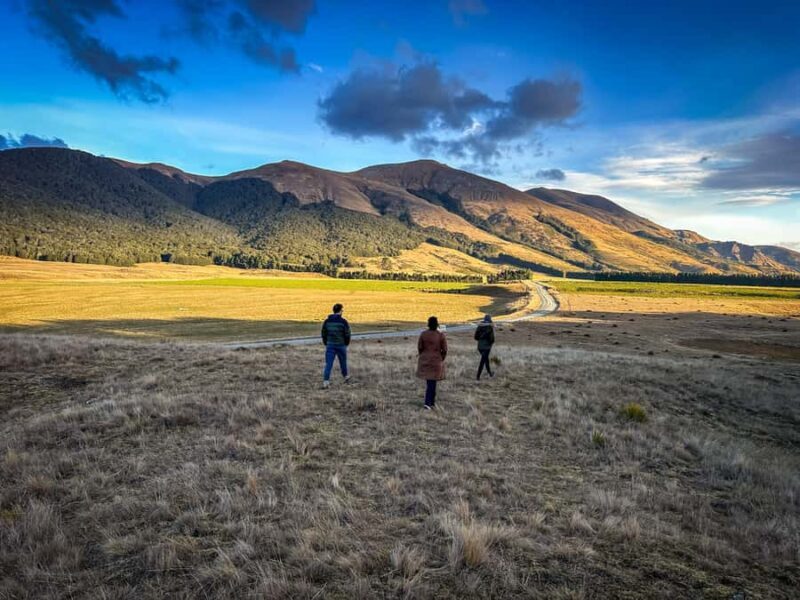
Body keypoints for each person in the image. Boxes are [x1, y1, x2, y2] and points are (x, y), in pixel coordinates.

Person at [416, 316, 447, 409]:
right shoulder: (440, 335)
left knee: (430, 382)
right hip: (436, 361)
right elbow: (445, 349)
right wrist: (441, 358)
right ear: (437, 324)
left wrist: (423, 355)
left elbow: (420, 347)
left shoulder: (423, 334)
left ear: (428, 324)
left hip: (425, 360)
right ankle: (429, 403)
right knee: (432, 383)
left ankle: (430, 402)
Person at [321, 303, 351, 388]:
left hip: (330, 345)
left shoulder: (327, 321)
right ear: (340, 311)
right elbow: (347, 334)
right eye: (342, 310)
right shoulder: (343, 322)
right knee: (343, 362)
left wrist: (326, 342)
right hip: (341, 345)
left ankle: (326, 381)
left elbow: (323, 333)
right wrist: (346, 343)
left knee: (328, 363)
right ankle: (345, 377)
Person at [474, 314, 495, 380]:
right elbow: (492, 339)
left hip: (480, 347)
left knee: (486, 360)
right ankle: (478, 377)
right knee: (483, 361)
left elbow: (475, 337)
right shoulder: (490, 327)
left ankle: (490, 373)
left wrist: (480, 340)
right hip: (487, 348)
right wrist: (490, 343)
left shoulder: (479, 326)